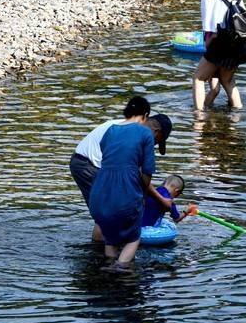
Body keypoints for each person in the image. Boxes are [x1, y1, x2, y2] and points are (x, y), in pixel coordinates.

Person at [87, 99, 174, 272]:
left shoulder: (111, 130)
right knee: (133, 237)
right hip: (125, 190)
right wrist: (141, 194)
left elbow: (108, 155)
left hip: (99, 191)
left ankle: (109, 266)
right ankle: (122, 267)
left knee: (110, 236)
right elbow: (147, 170)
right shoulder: (145, 133)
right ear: (145, 115)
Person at [71, 100, 172, 241]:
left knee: (107, 214)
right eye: (157, 142)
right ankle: (103, 255)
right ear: (156, 131)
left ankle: (104, 252)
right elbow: (140, 175)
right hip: (89, 166)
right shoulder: (137, 134)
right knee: (107, 215)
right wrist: (160, 199)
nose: (153, 145)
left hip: (83, 162)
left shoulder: (124, 125)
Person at [183, 0, 246, 110]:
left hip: (224, 42)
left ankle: (198, 118)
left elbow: (210, 30)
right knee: (227, 80)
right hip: (242, 38)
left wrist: (207, 46)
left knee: (198, 78)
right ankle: (237, 114)